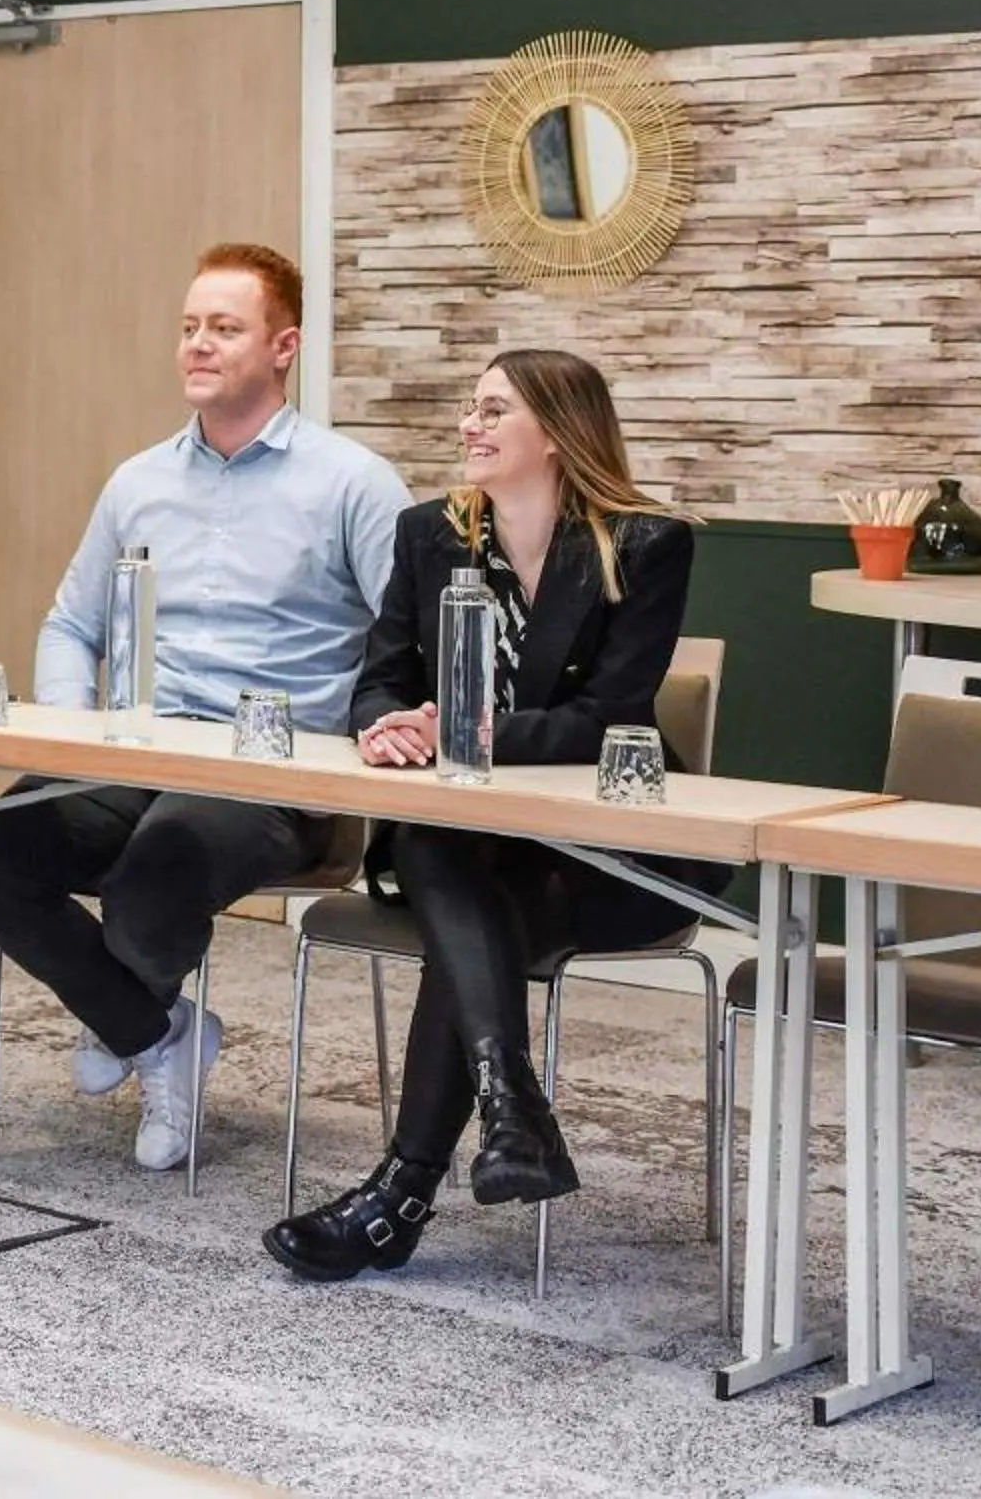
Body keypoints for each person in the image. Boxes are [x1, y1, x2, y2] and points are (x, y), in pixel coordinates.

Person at [0, 245, 408, 1172]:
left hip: (268, 774)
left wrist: (379, 731)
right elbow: (70, 623)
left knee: (151, 882)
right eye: (190, 327)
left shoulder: (352, 483)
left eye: (224, 328)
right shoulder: (139, 481)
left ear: (283, 347)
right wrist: (76, 732)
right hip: (134, 751)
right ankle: (155, 1029)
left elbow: (408, 639)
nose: (198, 344)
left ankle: (123, 1012)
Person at [267, 348, 700, 1282]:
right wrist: (386, 726)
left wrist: (466, 731)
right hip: (476, 846)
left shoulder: (647, 544)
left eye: (495, 409)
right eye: (471, 407)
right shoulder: (432, 534)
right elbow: (380, 675)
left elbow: (609, 718)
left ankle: (409, 1192)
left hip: (610, 853)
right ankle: (504, 1123)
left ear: (557, 431)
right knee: (450, 871)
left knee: (462, 913)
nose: (470, 423)